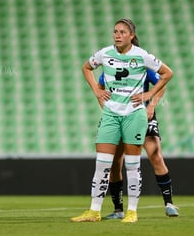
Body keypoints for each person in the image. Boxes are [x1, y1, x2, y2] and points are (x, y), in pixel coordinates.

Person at [70, 18, 173, 223]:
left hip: (134, 114)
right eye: (115, 31)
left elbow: (167, 74)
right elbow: (86, 68)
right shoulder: (104, 53)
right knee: (102, 163)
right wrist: (97, 92)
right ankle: (94, 211)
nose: (117, 35)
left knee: (133, 164)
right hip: (110, 114)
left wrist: (149, 96)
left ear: (132, 36)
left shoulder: (142, 55)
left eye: (122, 32)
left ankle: (132, 211)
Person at [98, 69, 179, 219]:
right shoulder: (111, 66)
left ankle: (169, 204)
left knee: (155, 156)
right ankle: (118, 210)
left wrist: (152, 106)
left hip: (142, 115)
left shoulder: (143, 66)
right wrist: (106, 108)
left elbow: (162, 84)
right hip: (118, 117)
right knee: (116, 162)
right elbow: (99, 87)